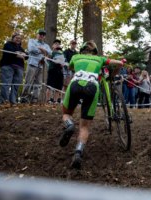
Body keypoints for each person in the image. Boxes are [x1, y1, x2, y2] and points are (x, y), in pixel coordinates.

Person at [60, 40, 124, 169]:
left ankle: (70, 125)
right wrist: (119, 66)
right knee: (84, 126)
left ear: (82, 50)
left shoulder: (75, 56)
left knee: (66, 113)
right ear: (95, 51)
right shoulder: (99, 59)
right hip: (92, 87)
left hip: (75, 84)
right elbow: (117, 63)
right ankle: (78, 152)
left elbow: (70, 67)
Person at [21, 29, 52, 103]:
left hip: (41, 66)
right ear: (37, 34)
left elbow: (50, 53)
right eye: (40, 34)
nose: (41, 36)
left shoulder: (46, 45)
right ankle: (24, 98)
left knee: (38, 83)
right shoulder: (32, 41)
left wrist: (40, 49)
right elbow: (31, 49)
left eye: (43, 35)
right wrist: (43, 51)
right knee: (28, 81)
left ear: (44, 36)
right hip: (32, 64)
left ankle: (35, 99)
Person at [0, 33, 27, 106]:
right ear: (13, 38)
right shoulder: (8, 44)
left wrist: (19, 53)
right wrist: (19, 54)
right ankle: (4, 100)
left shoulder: (21, 48)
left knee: (16, 85)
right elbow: (12, 53)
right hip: (8, 66)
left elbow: (26, 56)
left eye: (20, 38)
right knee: (6, 83)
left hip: (19, 68)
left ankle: (13, 101)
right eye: (16, 38)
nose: (18, 39)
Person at [46, 39, 65, 104]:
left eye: (58, 44)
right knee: (50, 86)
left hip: (60, 71)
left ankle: (55, 100)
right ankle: (48, 100)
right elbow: (47, 59)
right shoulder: (51, 52)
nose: (57, 44)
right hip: (52, 70)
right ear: (53, 45)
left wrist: (62, 64)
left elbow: (64, 62)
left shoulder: (62, 53)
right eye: (56, 43)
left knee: (58, 86)